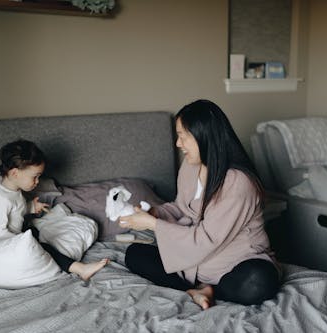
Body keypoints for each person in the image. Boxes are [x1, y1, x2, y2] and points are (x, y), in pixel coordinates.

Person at [120, 99, 280, 309]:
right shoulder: (190, 166)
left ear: (203, 136)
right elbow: (180, 207)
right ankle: (199, 288)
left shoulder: (237, 182)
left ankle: (208, 287)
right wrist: (154, 213)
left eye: (183, 137)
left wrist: (153, 225)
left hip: (232, 262)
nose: (178, 144)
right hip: (192, 261)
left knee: (258, 281)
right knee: (134, 254)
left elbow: (208, 238)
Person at [0, 139, 108, 281]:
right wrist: (23, 241)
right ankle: (80, 268)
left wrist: (31, 207)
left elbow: (16, 211)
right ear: (14, 173)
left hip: (14, 237)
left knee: (35, 232)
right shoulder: (0, 199)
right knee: (44, 248)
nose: (37, 182)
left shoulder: (13, 191)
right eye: (34, 177)